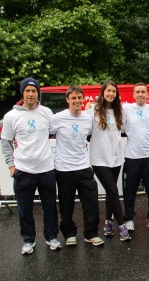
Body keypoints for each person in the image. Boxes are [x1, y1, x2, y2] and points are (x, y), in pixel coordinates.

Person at [1, 77, 61, 255]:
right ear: (22, 93)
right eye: (27, 91)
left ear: (38, 93)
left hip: (46, 169)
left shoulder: (46, 112)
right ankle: (28, 240)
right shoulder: (11, 116)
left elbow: (60, 128)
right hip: (23, 170)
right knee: (24, 209)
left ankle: (52, 237)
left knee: (49, 206)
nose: (30, 94)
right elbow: (5, 142)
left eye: (33, 91)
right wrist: (11, 166)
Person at [49, 86, 104, 247]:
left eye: (79, 98)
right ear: (68, 100)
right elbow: (43, 133)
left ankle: (91, 233)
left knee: (91, 203)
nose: (77, 101)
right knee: (67, 205)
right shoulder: (57, 118)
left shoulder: (88, 118)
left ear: (83, 99)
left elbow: (93, 135)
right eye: (73, 98)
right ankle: (69, 233)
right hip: (64, 169)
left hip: (83, 167)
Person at [88, 80, 131, 242]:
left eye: (114, 91)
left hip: (116, 157)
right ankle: (121, 225)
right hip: (99, 158)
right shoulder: (93, 110)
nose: (111, 94)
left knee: (110, 192)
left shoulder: (121, 111)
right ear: (103, 92)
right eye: (108, 91)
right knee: (113, 191)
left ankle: (107, 222)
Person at [122, 82, 149, 231]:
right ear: (133, 94)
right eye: (137, 92)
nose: (140, 95)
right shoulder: (126, 108)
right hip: (132, 156)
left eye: (143, 92)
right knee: (130, 190)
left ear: (147, 94)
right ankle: (129, 218)